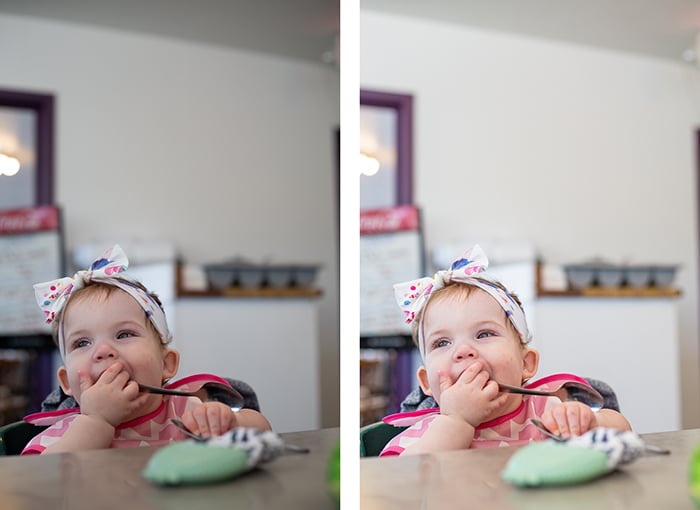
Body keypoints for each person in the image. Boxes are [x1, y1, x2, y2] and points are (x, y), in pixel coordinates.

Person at [380, 245, 631, 456]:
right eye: (442, 343)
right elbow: (399, 485)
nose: (463, 350)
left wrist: (587, 422)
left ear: (526, 363)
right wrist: (457, 421)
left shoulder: (548, 411)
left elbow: (624, 434)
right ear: (425, 381)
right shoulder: (420, 436)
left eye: (484, 334)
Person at [22, 244, 271, 455]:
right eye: (82, 343)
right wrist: (97, 422)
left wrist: (228, 423)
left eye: (124, 334)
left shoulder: (188, 412)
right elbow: (39, 486)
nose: (103, 350)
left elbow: (264, 434)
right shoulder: (58, 438)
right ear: (66, 382)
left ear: (166, 364)